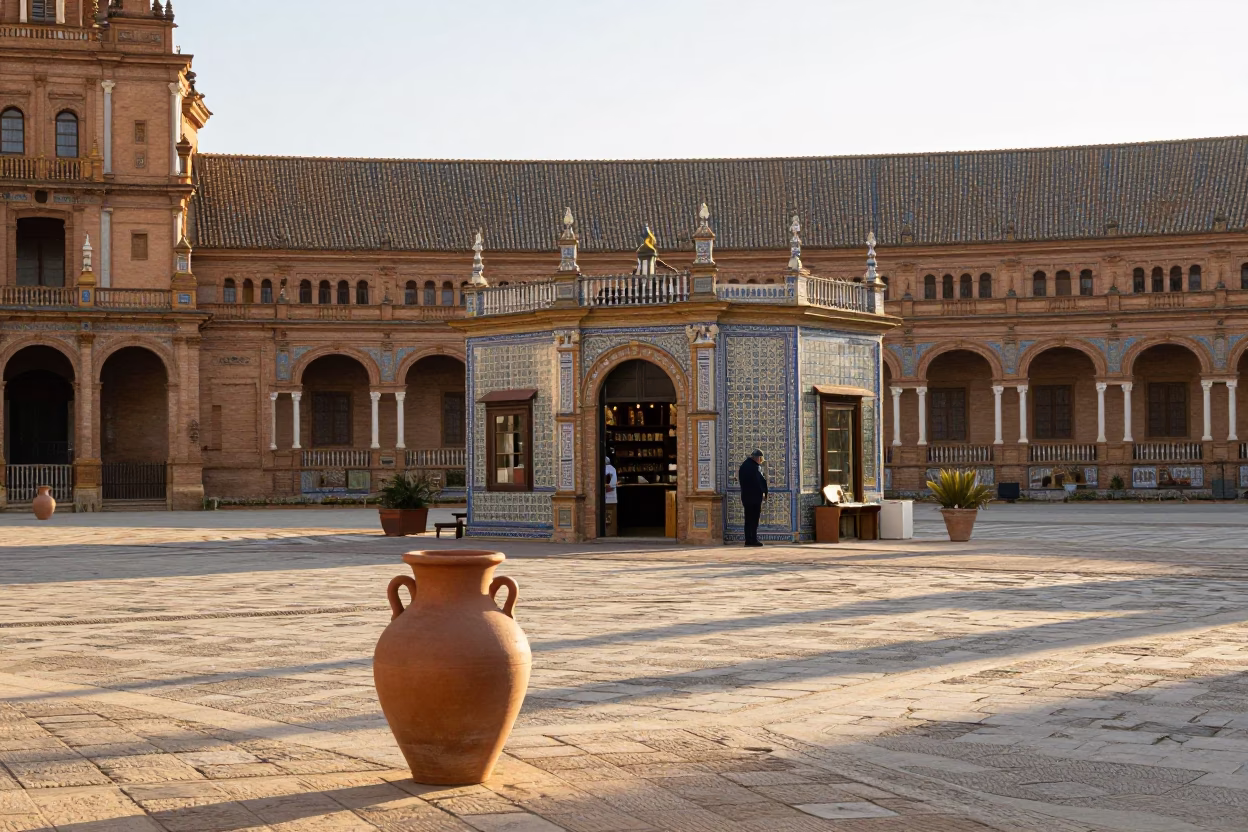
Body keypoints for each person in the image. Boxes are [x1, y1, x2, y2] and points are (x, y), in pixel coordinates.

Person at [738, 449, 768, 547]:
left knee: (748, 519)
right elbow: (759, 482)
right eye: (760, 458)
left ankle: (748, 540)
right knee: (754, 519)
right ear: (758, 458)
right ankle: (753, 539)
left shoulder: (744, 466)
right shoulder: (755, 467)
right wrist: (764, 493)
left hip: (746, 497)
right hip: (754, 497)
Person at [603, 455, 619, 536]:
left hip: (607, 496)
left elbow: (610, 485)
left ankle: (609, 533)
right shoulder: (613, 469)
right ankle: (611, 533)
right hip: (612, 497)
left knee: (608, 516)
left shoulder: (607, 469)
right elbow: (613, 483)